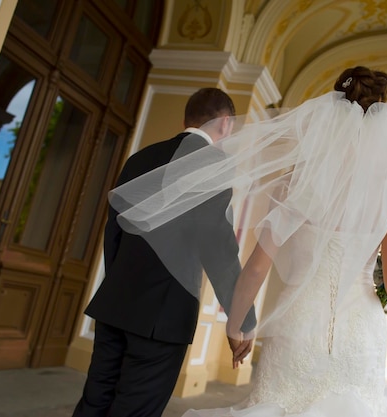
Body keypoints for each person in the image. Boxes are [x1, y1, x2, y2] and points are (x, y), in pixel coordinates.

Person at [110, 66, 387, 417]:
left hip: (299, 321)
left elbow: (255, 269)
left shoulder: (294, 183)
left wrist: (238, 327)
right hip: (360, 333)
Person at [72, 87, 257, 417]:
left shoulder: (141, 157)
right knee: (135, 410)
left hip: (115, 302)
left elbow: (114, 229)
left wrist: (118, 281)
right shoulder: (213, 165)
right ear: (226, 123)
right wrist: (243, 316)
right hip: (163, 316)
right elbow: (218, 248)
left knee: (95, 400)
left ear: (187, 119)